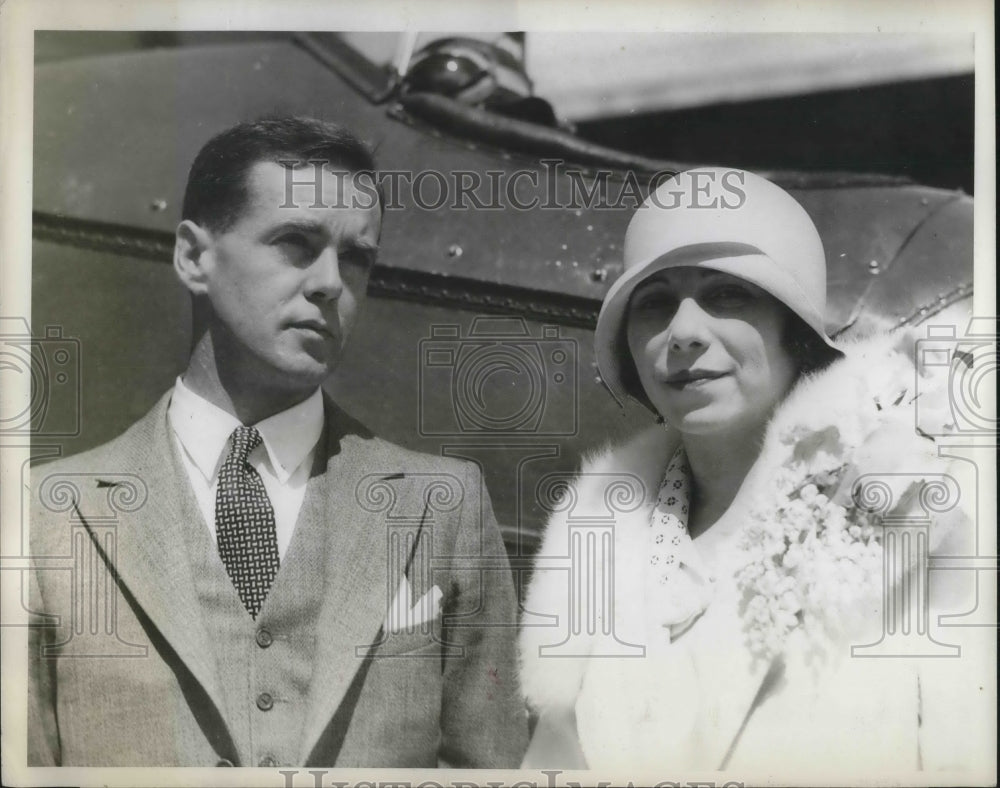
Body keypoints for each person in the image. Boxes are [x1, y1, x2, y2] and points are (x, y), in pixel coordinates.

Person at [28, 116, 528, 768]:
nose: (330, 283)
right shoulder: (44, 516)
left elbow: (493, 768)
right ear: (193, 256)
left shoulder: (443, 505)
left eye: (356, 257)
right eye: (296, 242)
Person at [518, 168, 988, 776]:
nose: (683, 332)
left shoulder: (911, 508)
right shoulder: (595, 541)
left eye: (727, 295)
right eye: (654, 304)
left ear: (793, 330)